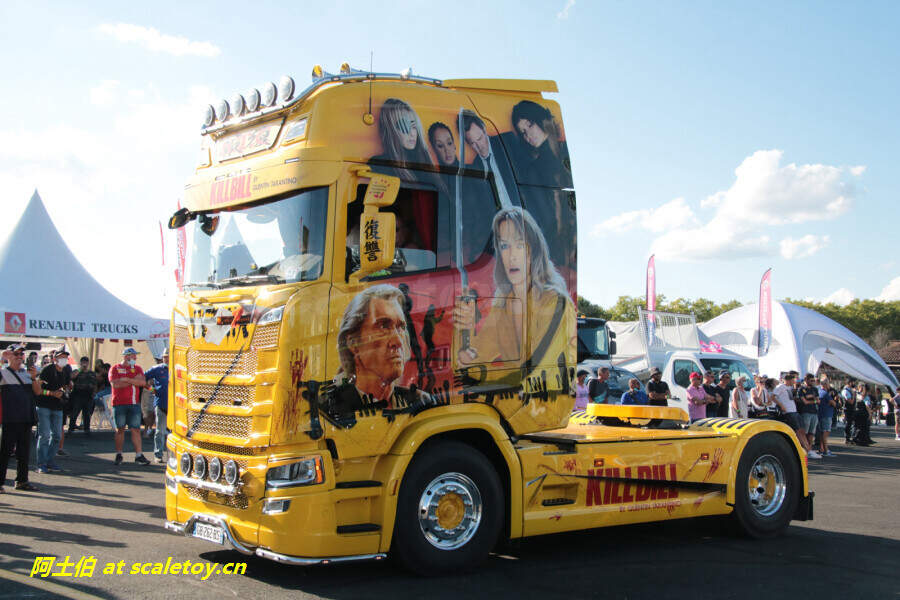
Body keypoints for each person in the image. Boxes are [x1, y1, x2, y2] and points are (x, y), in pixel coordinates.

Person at [453, 207, 576, 376]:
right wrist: (465, 328)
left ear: (534, 251)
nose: (512, 256)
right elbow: (471, 362)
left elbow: (535, 372)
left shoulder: (557, 303)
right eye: (504, 246)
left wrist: (483, 376)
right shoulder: (503, 305)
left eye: (520, 245)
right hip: (514, 392)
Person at [329, 284, 434, 420]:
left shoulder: (422, 401)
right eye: (384, 326)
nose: (398, 342)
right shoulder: (330, 408)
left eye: (400, 327)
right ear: (353, 342)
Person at [0, 345, 41, 491]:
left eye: (21, 354)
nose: (19, 357)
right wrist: (2, 359)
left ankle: (22, 481)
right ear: (9, 356)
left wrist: (34, 377)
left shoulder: (27, 373)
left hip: (26, 418)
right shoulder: (3, 372)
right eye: (15, 354)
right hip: (10, 419)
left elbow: (38, 392)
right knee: (4, 452)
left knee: (24, 453)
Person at [459, 111, 519, 208]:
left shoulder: (508, 141)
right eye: (472, 143)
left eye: (479, 138)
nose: (479, 146)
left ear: (484, 129)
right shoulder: (474, 168)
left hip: (523, 213)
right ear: (467, 143)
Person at [510, 100, 570, 187]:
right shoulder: (534, 169)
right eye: (523, 132)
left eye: (530, 125)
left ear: (541, 119)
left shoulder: (568, 149)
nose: (528, 135)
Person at [109, 347, 149, 465]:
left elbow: (142, 382)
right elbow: (115, 384)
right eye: (133, 355)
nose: (135, 358)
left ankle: (139, 455)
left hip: (134, 404)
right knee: (120, 429)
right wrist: (133, 380)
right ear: (126, 356)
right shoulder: (115, 368)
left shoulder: (138, 368)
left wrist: (126, 379)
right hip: (118, 404)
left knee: (136, 429)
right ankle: (119, 454)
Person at [36, 349, 71, 472]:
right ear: (55, 359)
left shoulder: (66, 370)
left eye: (65, 357)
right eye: (61, 357)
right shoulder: (47, 369)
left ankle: (49, 461)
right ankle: (41, 464)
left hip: (58, 407)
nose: (64, 360)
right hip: (44, 406)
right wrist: (51, 393)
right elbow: (38, 389)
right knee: (45, 435)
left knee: (57, 436)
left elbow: (66, 385)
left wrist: (66, 390)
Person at [772, 372, 820, 458]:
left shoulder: (789, 388)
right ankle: (807, 450)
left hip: (794, 411)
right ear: (788, 380)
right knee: (798, 431)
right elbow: (772, 397)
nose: (794, 381)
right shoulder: (780, 387)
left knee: (802, 430)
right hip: (788, 412)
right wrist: (781, 405)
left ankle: (808, 449)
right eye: (792, 380)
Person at [144, 351, 170, 463]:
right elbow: (142, 378)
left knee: (176, 433)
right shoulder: (157, 369)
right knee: (160, 431)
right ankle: (158, 455)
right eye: (164, 357)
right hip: (161, 404)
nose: (166, 359)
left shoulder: (178, 368)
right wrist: (151, 389)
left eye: (168, 357)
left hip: (176, 405)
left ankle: (174, 456)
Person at [69, 356, 97, 435]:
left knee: (87, 413)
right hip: (78, 394)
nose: (85, 364)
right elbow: (72, 377)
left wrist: (94, 393)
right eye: (83, 362)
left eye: (86, 362)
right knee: (75, 413)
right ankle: (71, 428)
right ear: (80, 363)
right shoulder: (77, 371)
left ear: (88, 363)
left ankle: (87, 429)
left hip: (88, 395)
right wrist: (80, 369)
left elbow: (95, 384)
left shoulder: (92, 373)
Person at [796, 373, 820, 451]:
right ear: (806, 380)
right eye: (811, 380)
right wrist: (813, 400)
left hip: (814, 412)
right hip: (806, 412)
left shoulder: (815, 389)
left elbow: (818, 401)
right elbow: (805, 402)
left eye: (813, 380)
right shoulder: (801, 389)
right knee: (804, 433)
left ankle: (810, 449)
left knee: (812, 433)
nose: (813, 382)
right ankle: (804, 449)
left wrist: (811, 399)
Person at [817, 375, 836, 456]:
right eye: (828, 383)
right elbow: (834, 403)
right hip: (826, 415)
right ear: (825, 384)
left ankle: (822, 449)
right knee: (825, 432)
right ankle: (826, 450)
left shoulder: (819, 392)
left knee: (822, 433)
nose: (829, 385)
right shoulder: (825, 393)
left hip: (821, 414)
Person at [841, 380, 856, 444]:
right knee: (848, 423)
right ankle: (847, 438)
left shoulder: (850, 390)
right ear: (849, 383)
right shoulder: (846, 391)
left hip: (851, 409)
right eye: (853, 382)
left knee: (851, 423)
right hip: (847, 409)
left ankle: (851, 437)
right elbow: (850, 401)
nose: (854, 383)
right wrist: (854, 395)